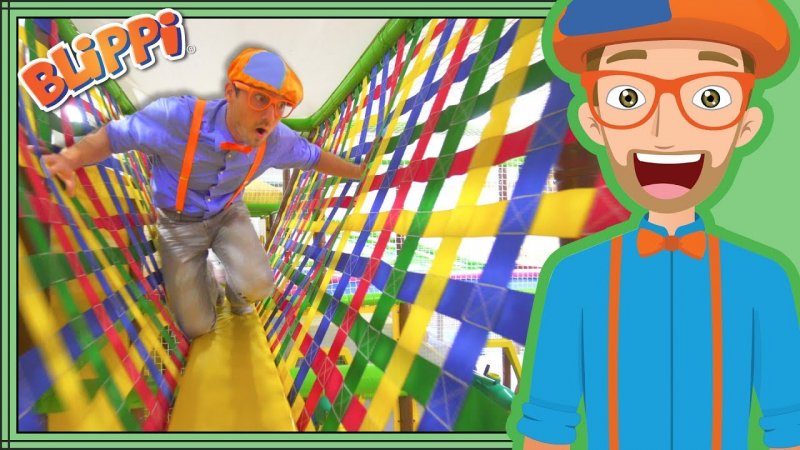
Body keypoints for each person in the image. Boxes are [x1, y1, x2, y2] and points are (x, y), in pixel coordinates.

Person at [515, 1, 800, 449]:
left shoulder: (763, 278)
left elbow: (789, 420)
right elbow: (548, 422)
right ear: (593, 123)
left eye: (709, 97)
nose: (665, 132)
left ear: (746, 126)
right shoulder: (574, 278)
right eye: (628, 97)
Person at [42, 48, 367, 339]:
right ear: (230, 92)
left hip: (228, 214)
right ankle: (210, 282)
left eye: (281, 106)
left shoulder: (277, 139)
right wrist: (70, 158)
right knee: (197, 326)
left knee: (259, 287)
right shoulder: (175, 118)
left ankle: (237, 292)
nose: (270, 116)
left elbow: (315, 157)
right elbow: (114, 136)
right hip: (178, 224)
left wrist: (359, 173)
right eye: (260, 99)